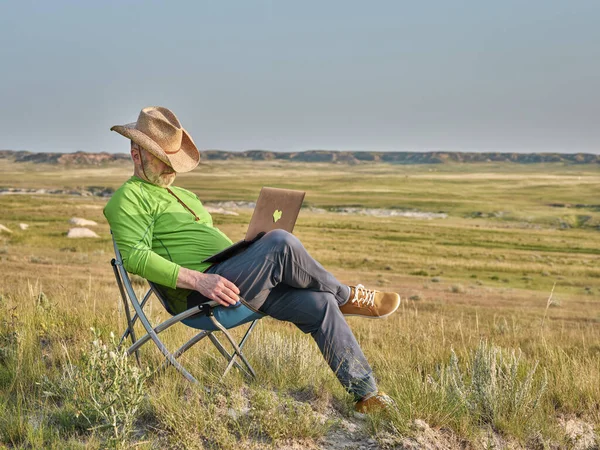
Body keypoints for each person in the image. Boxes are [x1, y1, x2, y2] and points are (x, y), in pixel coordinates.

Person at [104, 106, 401, 414]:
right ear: (136, 153)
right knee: (280, 241)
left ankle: (367, 396)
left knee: (320, 305)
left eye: (173, 161)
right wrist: (200, 280)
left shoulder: (186, 197)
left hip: (237, 283)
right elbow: (136, 258)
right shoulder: (128, 198)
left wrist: (247, 251)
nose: (171, 169)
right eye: (163, 160)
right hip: (203, 296)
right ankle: (348, 296)